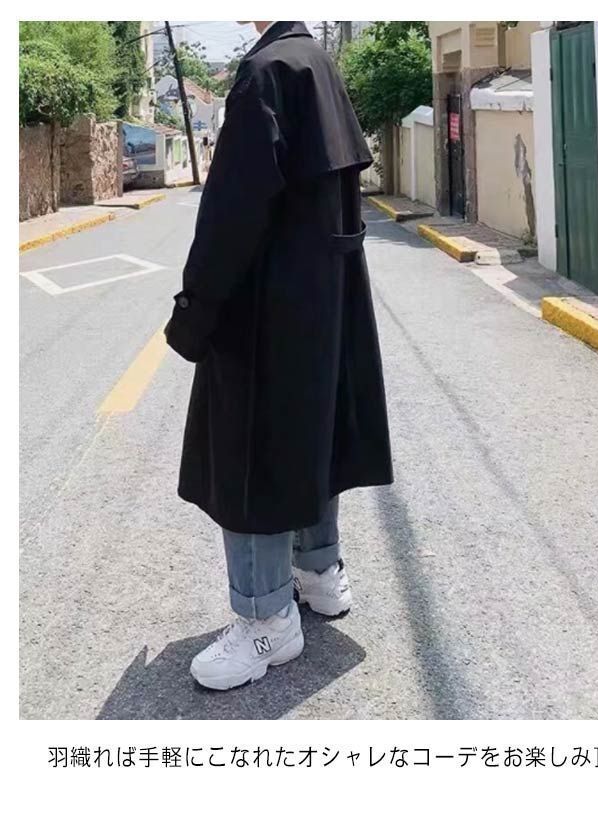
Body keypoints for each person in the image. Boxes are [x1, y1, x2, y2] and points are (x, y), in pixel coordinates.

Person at [165, 21, 393, 691]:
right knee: (310, 435)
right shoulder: (317, 63)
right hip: (324, 303)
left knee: (253, 459)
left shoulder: (265, 73)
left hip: (265, 311)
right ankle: (319, 574)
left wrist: (195, 309)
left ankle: (266, 620)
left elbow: (231, 214)